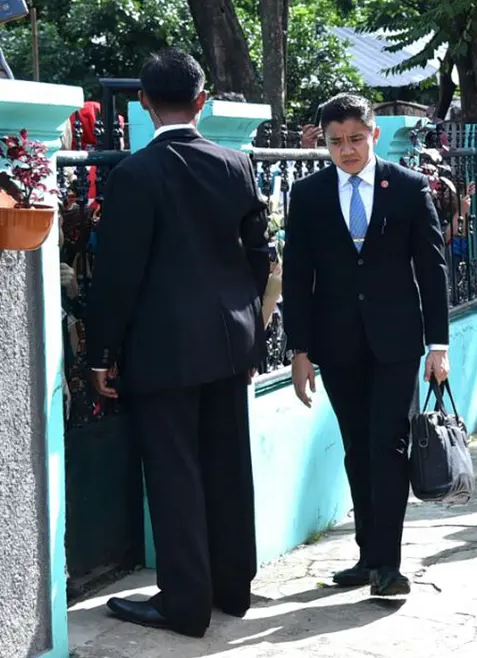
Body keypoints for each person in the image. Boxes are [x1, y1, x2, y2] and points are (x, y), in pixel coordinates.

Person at [87, 49, 270, 638]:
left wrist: (100, 355)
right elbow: (258, 260)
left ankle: (185, 604)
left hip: (161, 351)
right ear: (202, 101)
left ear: (143, 102)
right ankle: (233, 589)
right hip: (228, 344)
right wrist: (252, 342)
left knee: (174, 475)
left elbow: (118, 276)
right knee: (226, 467)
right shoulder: (235, 165)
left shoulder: (134, 175)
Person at [281, 93, 450, 597]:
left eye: (356, 138)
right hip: (338, 344)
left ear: (374, 135)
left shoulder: (408, 188)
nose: (347, 150)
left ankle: (389, 566)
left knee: (389, 445)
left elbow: (433, 269)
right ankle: (367, 554)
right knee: (357, 447)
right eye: (336, 142)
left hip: (397, 342)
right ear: (323, 143)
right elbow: (297, 276)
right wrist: (300, 350)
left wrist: (438, 345)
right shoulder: (308, 195)